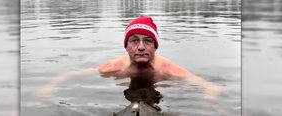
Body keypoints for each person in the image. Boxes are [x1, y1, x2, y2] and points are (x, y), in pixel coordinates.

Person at [35, 16, 220, 99]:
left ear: (156, 46)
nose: (141, 47)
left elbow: (204, 83)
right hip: (128, 94)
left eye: (148, 41)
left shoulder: (167, 69)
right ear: (126, 46)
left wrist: (209, 94)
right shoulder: (115, 67)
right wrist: (49, 88)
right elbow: (72, 75)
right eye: (134, 41)